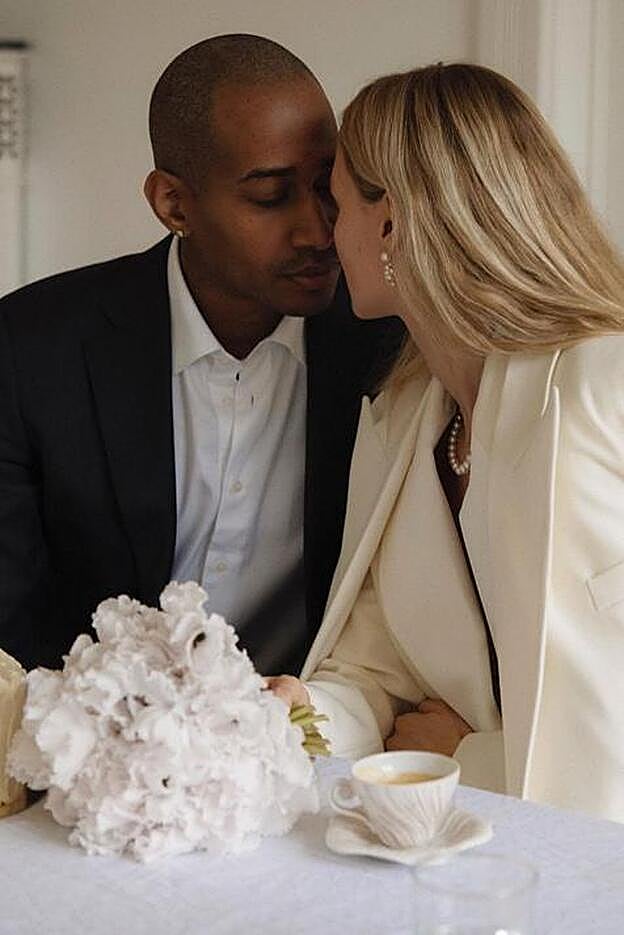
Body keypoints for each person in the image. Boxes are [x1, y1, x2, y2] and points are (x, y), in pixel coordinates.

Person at [268, 63, 624, 822]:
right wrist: (296, 712)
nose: (328, 236)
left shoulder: (606, 383)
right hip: (469, 860)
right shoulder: (399, 423)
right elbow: (371, 670)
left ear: (389, 222)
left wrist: (467, 757)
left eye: (336, 206)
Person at [0, 35, 403, 675]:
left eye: (329, 187)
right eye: (271, 196)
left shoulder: (389, 345)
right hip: (81, 747)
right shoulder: (30, 348)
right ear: (174, 204)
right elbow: (8, 639)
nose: (319, 230)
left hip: (318, 739)